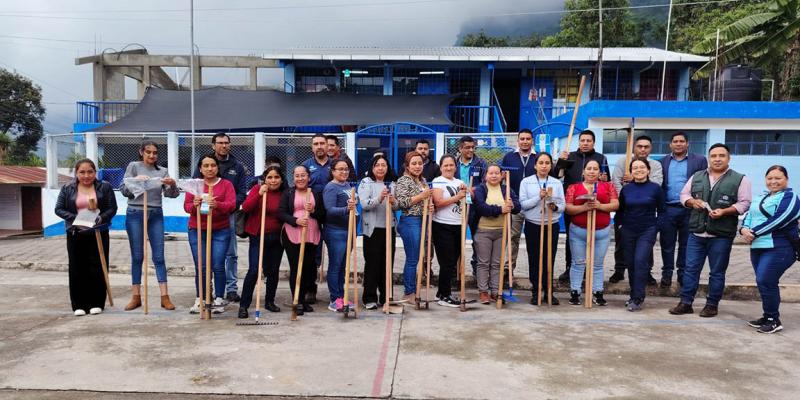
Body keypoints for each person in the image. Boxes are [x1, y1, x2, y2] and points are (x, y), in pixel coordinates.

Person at [669, 143, 752, 318]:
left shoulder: (740, 179)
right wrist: (692, 202)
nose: (717, 159)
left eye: (722, 155)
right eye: (713, 156)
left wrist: (725, 211)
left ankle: (712, 305)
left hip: (721, 235)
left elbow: (744, 203)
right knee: (690, 269)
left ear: (728, 158)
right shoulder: (697, 176)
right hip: (696, 233)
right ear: (709, 158)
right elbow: (684, 195)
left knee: (717, 272)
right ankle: (686, 303)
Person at [120, 141, 179, 311]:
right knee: (138, 256)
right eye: (148, 152)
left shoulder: (162, 171)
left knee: (159, 256)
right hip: (135, 213)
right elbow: (124, 189)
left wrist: (172, 184)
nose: (152, 156)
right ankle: (136, 296)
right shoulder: (134, 166)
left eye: (155, 153)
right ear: (141, 152)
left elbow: (170, 194)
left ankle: (165, 297)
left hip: (155, 213)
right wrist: (136, 182)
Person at [740, 165, 800, 333]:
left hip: (780, 247)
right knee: (763, 282)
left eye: (778, 178)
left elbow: (780, 219)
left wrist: (754, 232)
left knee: (766, 280)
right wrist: (743, 229)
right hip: (758, 246)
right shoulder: (761, 196)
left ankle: (774, 320)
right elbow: (749, 216)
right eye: (770, 178)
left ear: (786, 180)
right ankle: (767, 316)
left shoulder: (790, 197)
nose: (773, 181)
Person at [55, 159, 118, 316]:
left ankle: (97, 302)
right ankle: (79, 304)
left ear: (95, 172)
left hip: (98, 232)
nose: (86, 175)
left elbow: (112, 208)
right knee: (77, 267)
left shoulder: (105, 187)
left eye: (90, 171)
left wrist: (100, 218)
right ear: (76, 173)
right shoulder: (67, 188)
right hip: (76, 233)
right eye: (82, 172)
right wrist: (77, 218)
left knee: (97, 267)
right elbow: (59, 209)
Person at [193, 133, 251, 303]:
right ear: (213, 145)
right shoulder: (204, 163)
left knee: (230, 254)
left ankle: (231, 288)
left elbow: (242, 192)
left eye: (226, 143)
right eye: (220, 143)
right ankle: (207, 289)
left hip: (228, 215)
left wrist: (230, 204)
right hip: (205, 215)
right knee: (208, 257)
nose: (223, 146)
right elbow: (195, 187)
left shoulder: (237, 166)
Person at [553, 130, 608, 283]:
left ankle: (589, 269)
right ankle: (570, 267)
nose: (585, 143)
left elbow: (606, 179)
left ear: (593, 142)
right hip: (573, 204)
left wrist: (604, 178)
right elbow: (556, 176)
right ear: (579, 142)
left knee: (593, 238)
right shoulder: (569, 156)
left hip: (594, 203)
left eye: (588, 141)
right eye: (582, 140)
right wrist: (559, 162)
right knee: (573, 238)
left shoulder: (601, 158)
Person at [185, 155, 237, 314]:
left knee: (217, 265)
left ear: (217, 167)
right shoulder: (194, 185)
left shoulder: (226, 184)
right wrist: (194, 205)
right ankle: (200, 298)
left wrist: (218, 204)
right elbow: (187, 207)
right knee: (201, 266)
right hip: (197, 229)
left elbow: (232, 205)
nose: (209, 169)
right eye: (205, 165)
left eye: (213, 165)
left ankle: (219, 298)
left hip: (220, 230)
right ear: (200, 168)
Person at [610, 135, 663, 285]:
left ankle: (646, 272)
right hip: (626, 209)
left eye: (646, 147)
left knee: (645, 246)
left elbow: (657, 183)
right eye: (640, 146)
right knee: (621, 242)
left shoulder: (656, 165)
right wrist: (625, 198)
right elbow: (616, 181)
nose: (643, 149)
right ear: (634, 147)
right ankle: (619, 269)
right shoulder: (623, 161)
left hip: (646, 211)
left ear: (650, 148)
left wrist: (635, 178)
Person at [565, 159, 618, 306]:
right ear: (583, 171)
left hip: (602, 231)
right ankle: (575, 291)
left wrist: (599, 205)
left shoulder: (608, 186)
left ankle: (597, 291)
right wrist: (584, 208)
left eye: (595, 169)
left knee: (597, 264)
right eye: (589, 168)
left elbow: (615, 205)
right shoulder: (573, 187)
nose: (592, 171)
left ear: (599, 172)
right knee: (578, 263)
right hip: (579, 231)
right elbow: (568, 208)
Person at [658, 132, 707, 288]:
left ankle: (682, 274)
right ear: (670, 144)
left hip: (690, 209)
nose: (678, 144)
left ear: (687, 144)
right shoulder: (662, 162)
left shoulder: (699, 160)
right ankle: (666, 274)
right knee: (667, 244)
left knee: (686, 244)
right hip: (668, 208)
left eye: (681, 141)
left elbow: (704, 182)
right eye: (675, 141)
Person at [238, 165, 287, 318]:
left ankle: (270, 301)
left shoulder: (285, 193)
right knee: (254, 270)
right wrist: (258, 194)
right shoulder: (256, 190)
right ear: (264, 179)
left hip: (277, 237)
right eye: (270, 177)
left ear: (281, 179)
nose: (273, 180)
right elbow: (245, 207)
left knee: (273, 271)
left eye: (276, 177)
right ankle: (244, 305)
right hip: (258, 236)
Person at [618, 159, 665, 311]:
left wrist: (656, 227)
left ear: (648, 170)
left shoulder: (655, 188)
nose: (639, 170)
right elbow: (620, 210)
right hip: (628, 230)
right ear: (631, 171)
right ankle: (633, 295)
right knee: (630, 263)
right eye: (635, 168)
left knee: (640, 261)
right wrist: (620, 226)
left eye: (642, 167)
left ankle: (638, 298)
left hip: (647, 230)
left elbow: (663, 211)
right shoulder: (626, 189)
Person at [278, 165, 325, 316]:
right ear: (294, 178)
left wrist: (313, 211)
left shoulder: (316, 194)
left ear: (308, 177)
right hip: (292, 233)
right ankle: (296, 300)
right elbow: (281, 213)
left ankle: (304, 300)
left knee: (308, 268)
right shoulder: (288, 193)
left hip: (311, 234)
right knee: (296, 267)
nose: (300, 178)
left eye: (303, 175)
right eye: (297, 175)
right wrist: (295, 220)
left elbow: (323, 214)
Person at [520, 152, 565, 305]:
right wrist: (538, 197)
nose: (544, 166)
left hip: (551, 224)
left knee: (549, 258)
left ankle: (549, 291)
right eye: (541, 163)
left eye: (547, 163)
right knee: (534, 258)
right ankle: (536, 290)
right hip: (533, 224)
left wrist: (555, 206)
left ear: (551, 165)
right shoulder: (526, 182)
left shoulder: (556, 183)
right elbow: (523, 205)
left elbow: (562, 206)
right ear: (535, 165)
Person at [473, 165, 521, 304]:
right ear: (486, 175)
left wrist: (512, 206)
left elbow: (518, 207)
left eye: (497, 173)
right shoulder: (481, 189)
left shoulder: (507, 190)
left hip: (502, 231)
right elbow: (482, 208)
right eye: (491, 173)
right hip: (483, 231)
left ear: (502, 176)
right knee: (483, 262)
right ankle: (483, 292)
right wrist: (501, 209)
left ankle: (495, 291)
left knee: (497, 263)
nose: (494, 176)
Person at [358, 155, 399, 309]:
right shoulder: (366, 182)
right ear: (373, 168)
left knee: (388, 263)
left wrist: (393, 201)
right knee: (373, 264)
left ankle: (386, 296)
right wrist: (379, 198)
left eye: (384, 165)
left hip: (389, 228)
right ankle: (369, 297)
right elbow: (365, 204)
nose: (381, 168)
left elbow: (397, 207)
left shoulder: (391, 184)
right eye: (377, 165)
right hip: (373, 230)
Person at [395, 151, 433, 303]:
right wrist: (421, 197)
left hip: (422, 220)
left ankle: (412, 289)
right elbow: (402, 203)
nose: (418, 166)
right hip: (410, 221)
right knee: (412, 258)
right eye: (414, 164)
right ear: (407, 166)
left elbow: (425, 200)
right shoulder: (403, 181)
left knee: (417, 257)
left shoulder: (422, 180)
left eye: (420, 163)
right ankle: (409, 292)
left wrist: (429, 206)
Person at [431, 154, 467, 307]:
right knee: (447, 261)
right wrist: (457, 196)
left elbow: (467, 198)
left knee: (453, 261)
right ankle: (445, 295)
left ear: (455, 166)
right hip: (442, 225)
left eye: (451, 165)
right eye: (445, 165)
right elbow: (438, 202)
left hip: (458, 225)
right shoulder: (438, 181)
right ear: (441, 167)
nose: (449, 168)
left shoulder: (460, 182)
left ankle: (441, 292)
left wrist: (466, 192)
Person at [302, 133, 333, 303]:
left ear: (328, 146)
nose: (319, 146)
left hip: (331, 213)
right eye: (316, 144)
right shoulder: (306, 166)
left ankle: (335, 291)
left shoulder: (335, 165)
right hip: (312, 212)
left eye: (322, 143)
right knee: (312, 252)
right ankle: (310, 289)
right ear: (312, 146)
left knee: (335, 250)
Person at [323, 159, 358, 312]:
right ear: (333, 171)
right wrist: (346, 209)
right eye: (340, 169)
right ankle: (334, 298)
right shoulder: (331, 187)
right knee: (335, 266)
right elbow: (329, 209)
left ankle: (341, 296)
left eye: (346, 169)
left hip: (348, 231)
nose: (344, 172)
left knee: (343, 266)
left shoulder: (348, 185)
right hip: (336, 232)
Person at [501, 128, 537, 273]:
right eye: (522, 139)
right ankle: (508, 268)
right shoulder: (509, 157)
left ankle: (534, 270)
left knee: (533, 238)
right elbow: (502, 180)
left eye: (528, 139)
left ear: (532, 141)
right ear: (518, 140)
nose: (525, 141)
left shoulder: (538, 157)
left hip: (534, 204)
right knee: (512, 237)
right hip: (515, 204)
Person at [453, 135, 488, 275]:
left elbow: (486, 184)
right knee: (456, 239)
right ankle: (456, 272)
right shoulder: (453, 163)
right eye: (467, 147)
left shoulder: (481, 163)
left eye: (473, 147)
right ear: (460, 148)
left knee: (477, 239)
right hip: (456, 205)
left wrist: (474, 190)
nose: (471, 150)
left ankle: (476, 270)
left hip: (475, 206)